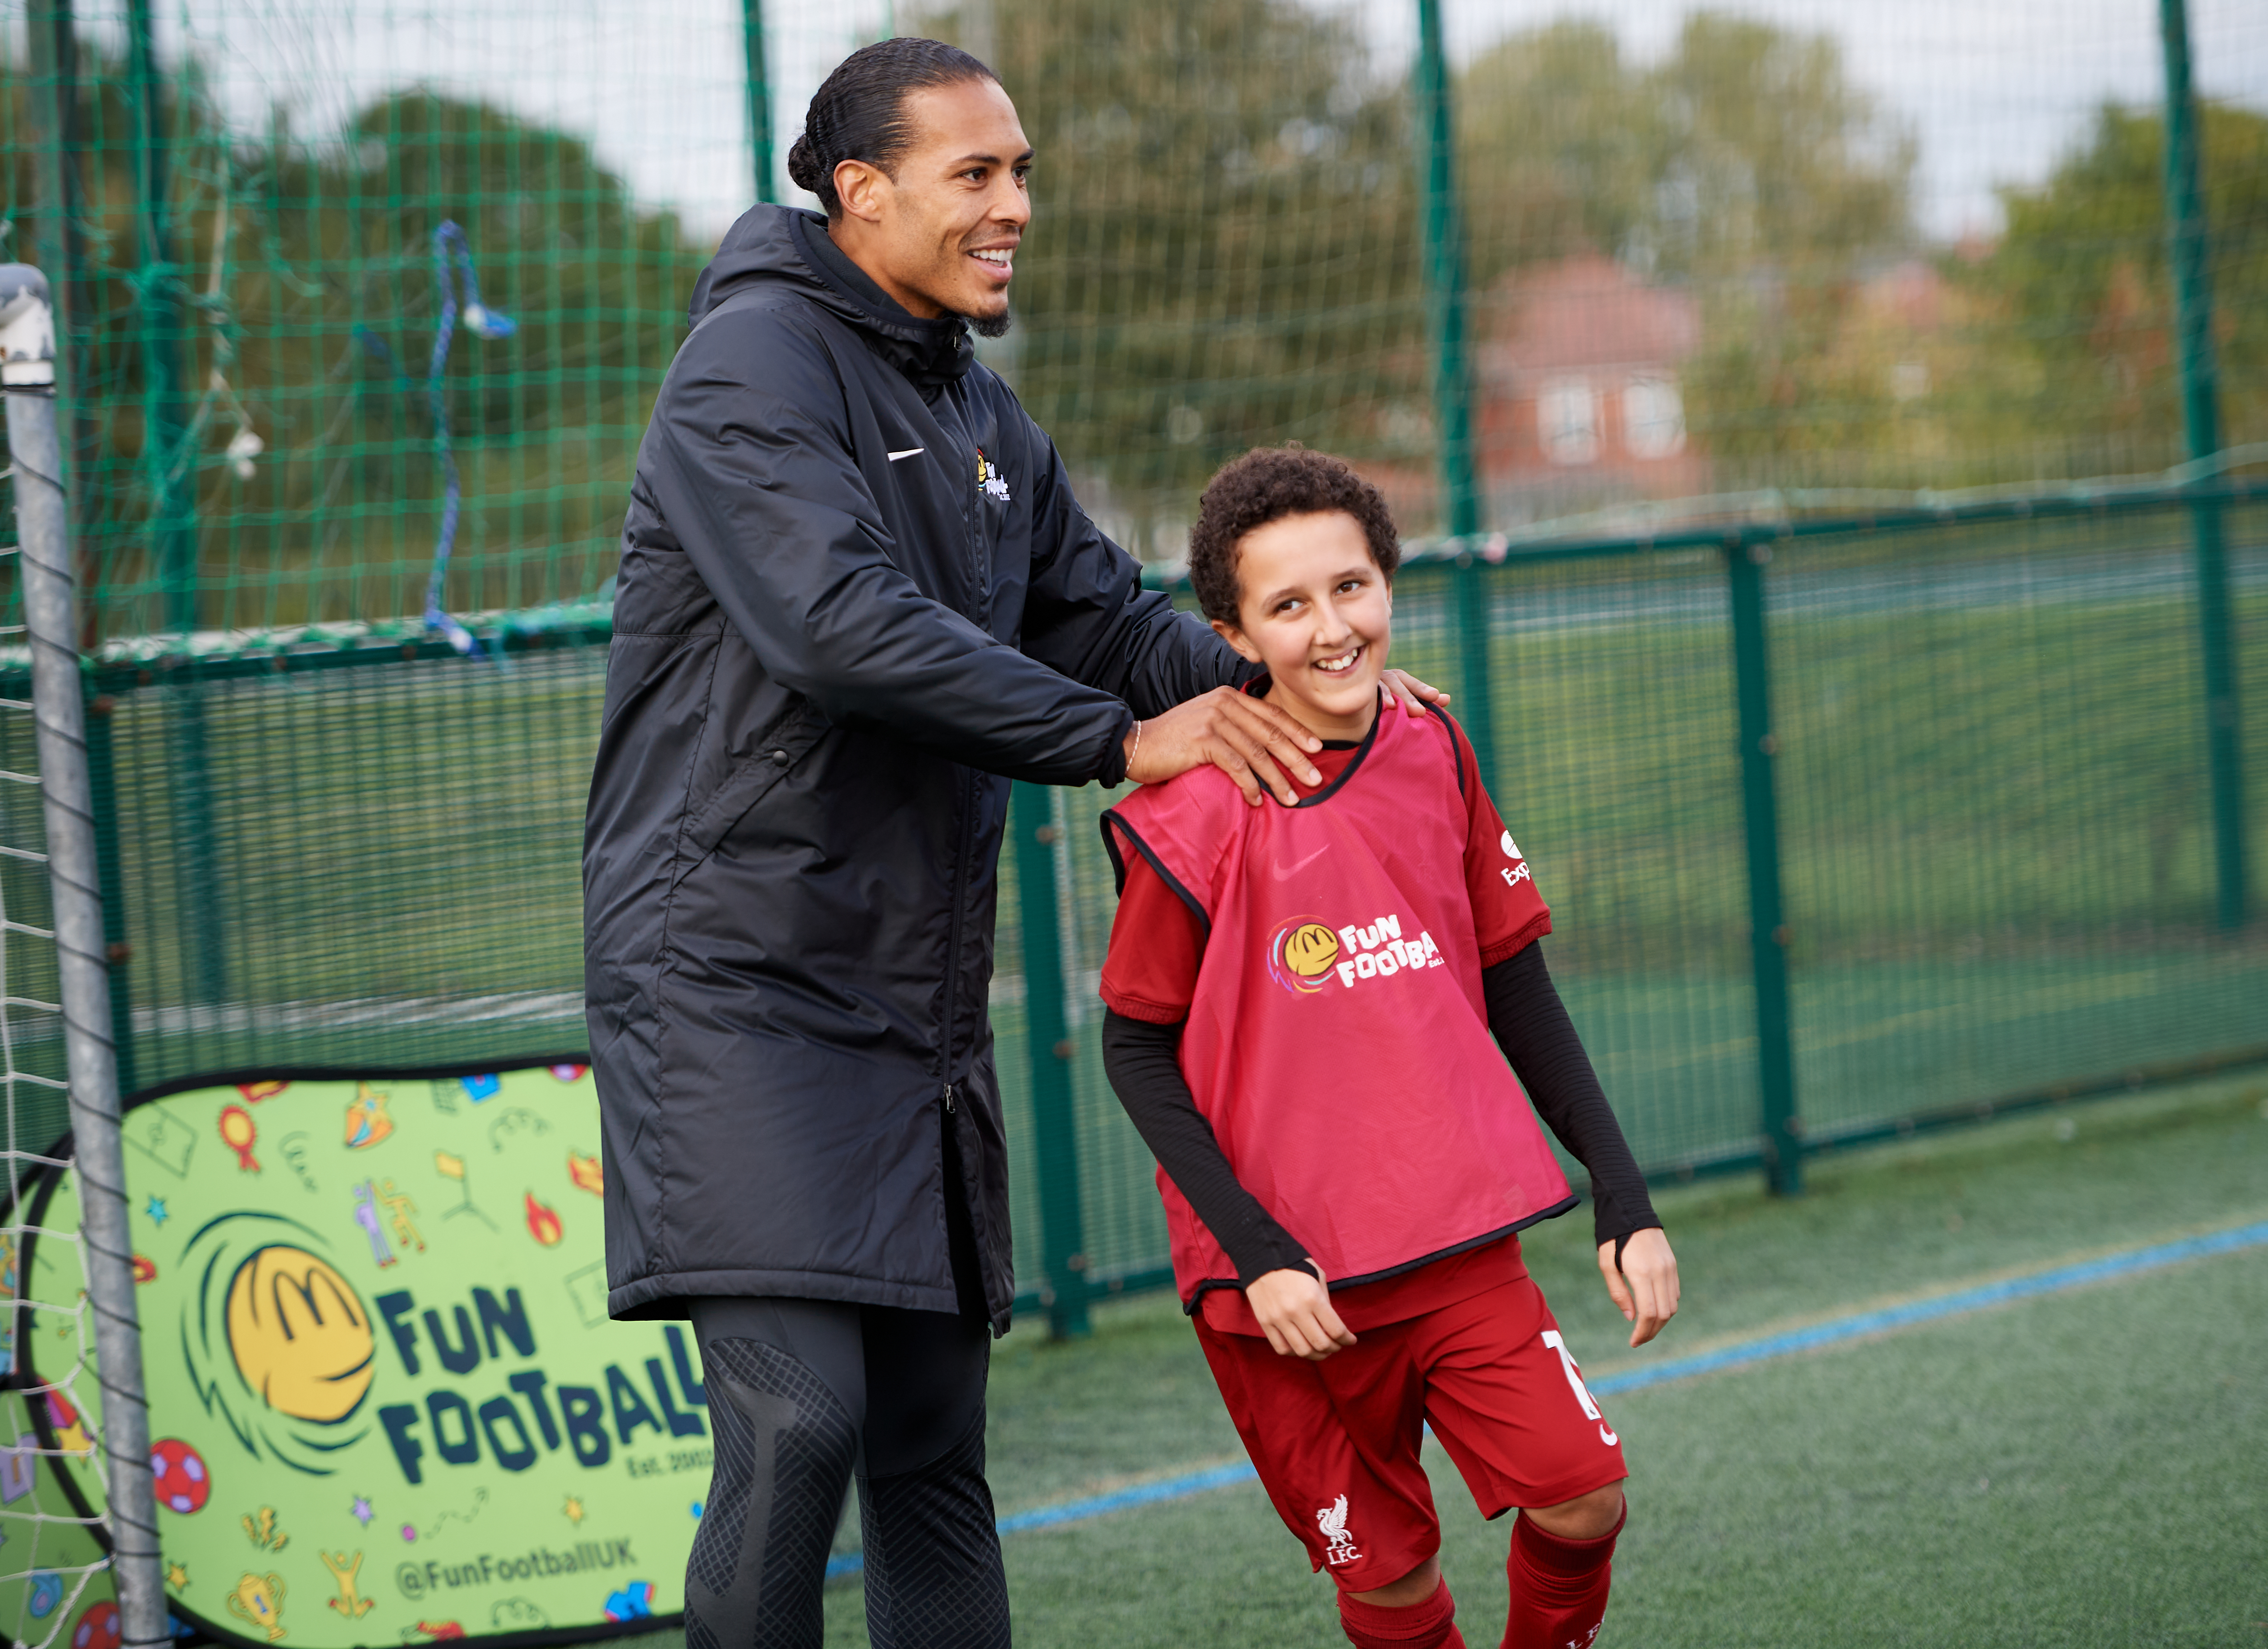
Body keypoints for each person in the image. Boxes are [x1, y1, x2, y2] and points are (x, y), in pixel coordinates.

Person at [582, 40, 1442, 1649]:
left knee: (926, 1441)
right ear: (862, 193)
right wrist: (1116, 744)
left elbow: (1103, 615)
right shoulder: (746, 370)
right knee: (801, 1424)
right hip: (729, 988)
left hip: (904, 997)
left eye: (1022, 172)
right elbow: (837, 626)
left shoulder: (973, 404)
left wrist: (1288, 685)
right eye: (975, 175)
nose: (1014, 207)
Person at [1099, 448, 1681, 1649]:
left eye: (1351, 587)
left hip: (1450, 1240)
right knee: (1391, 1583)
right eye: (1289, 605)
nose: (1332, 628)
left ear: (1388, 585)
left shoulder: (1435, 747)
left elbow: (1514, 984)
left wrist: (1620, 1194)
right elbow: (1135, 1050)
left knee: (1582, 1496)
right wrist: (1257, 1252)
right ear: (1234, 633)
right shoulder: (1197, 809)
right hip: (1281, 1294)